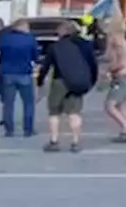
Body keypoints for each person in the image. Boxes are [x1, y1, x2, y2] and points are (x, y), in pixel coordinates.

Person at [36, 21, 98, 153]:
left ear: (63, 32)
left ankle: (54, 141)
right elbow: (93, 65)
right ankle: (75, 142)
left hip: (59, 81)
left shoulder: (55, 46)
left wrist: (40, 81)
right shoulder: (86, 45)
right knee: (74, 113)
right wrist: (91, 81)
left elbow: (46, 66)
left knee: (54, 112)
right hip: (77, 82)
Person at [0, 19, 40, 138]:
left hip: (7, 73)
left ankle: (9, 130)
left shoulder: (5, 38)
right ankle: (28, 129)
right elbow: (36, 57)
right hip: (24, 73)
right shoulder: (30, 39)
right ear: (23, 27)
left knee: (8, 103)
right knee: (28, 103)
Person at [102, 22, 126, 143]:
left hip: (122, 78)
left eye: (111, 35)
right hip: (123, 78)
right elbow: (108, 57)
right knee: (121, 105)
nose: (110, 38)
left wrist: (109, 70)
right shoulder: (122, 45)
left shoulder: (121, 46)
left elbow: (121, 64)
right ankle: (124, 131)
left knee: (110, 105)